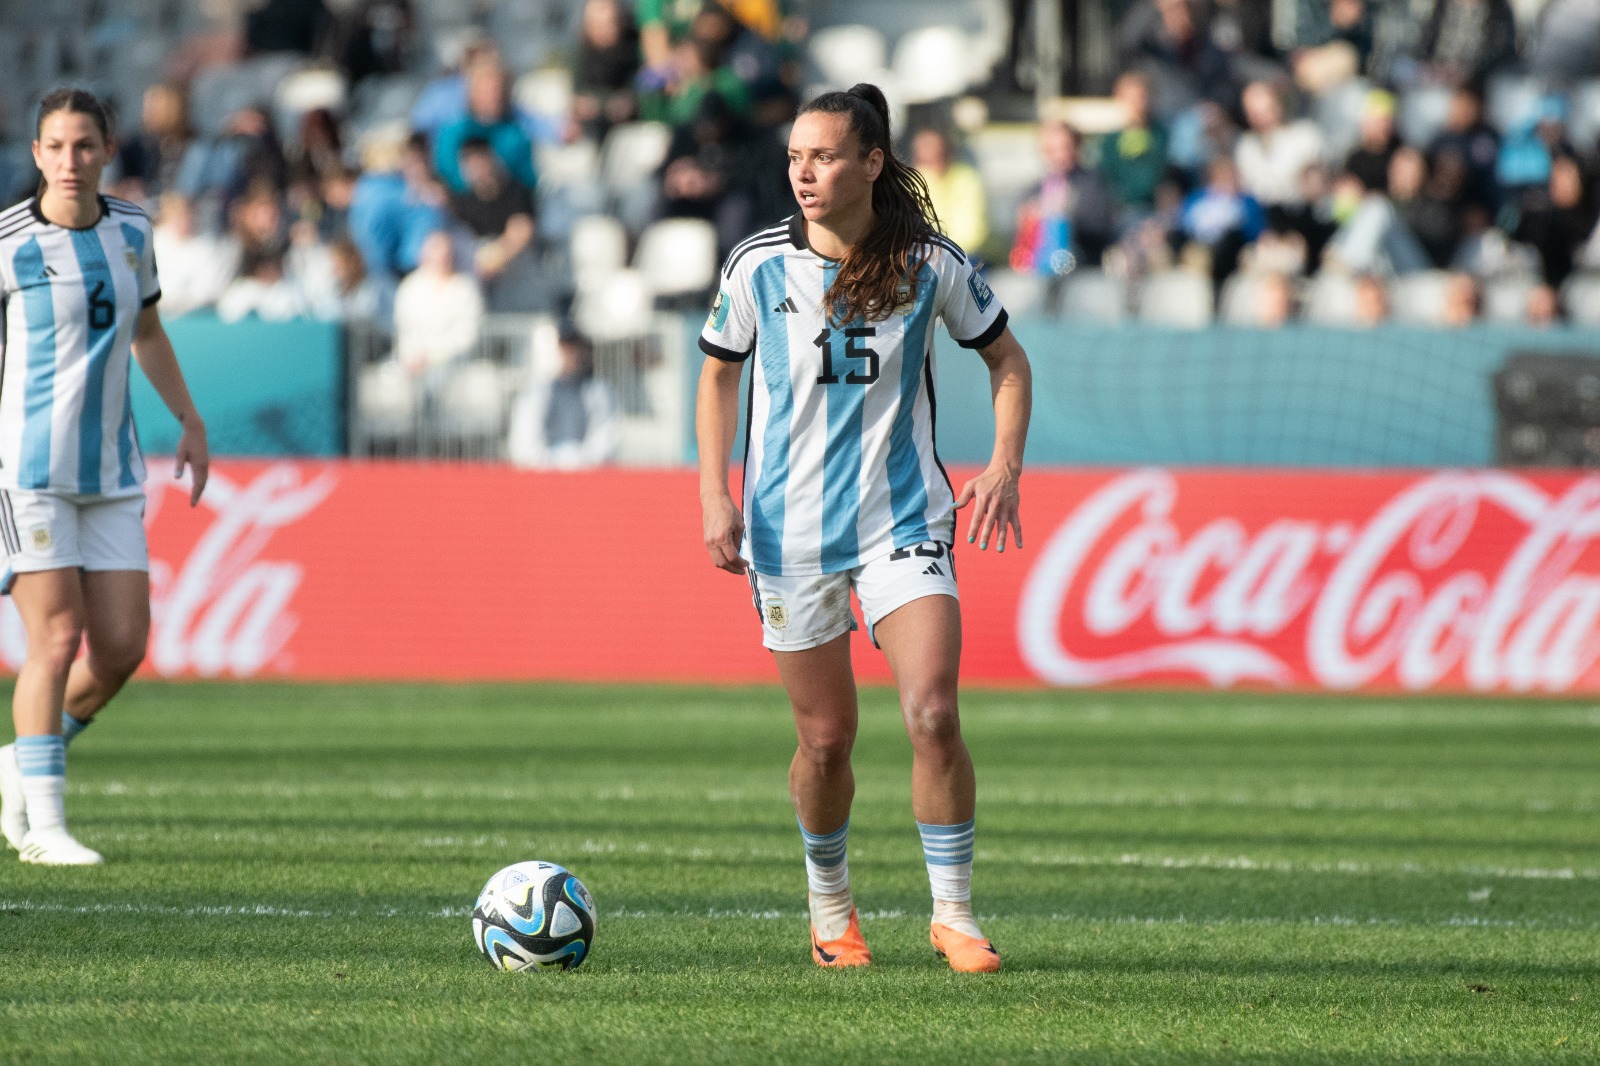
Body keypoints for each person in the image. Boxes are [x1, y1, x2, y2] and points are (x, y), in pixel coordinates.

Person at [696, 83, 1032, 974]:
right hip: (788, 535)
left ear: (872, 163)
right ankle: (830, 908)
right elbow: (718, 375)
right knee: (826, 740)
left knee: (931, 711)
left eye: (827, 156)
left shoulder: (931, 263)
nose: (805, 174)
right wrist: (713, 493)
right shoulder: (758, 265)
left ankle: (954, 917)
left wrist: (1003, 465)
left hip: (904, 522)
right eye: (797, 157)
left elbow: (1006, 359)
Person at [0, 89, 210, 865]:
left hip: (113, 472)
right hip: (29, 472)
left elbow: (146, 328)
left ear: (106, 150)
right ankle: (44, 828)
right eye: (54, 146)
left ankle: (20, 758)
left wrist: (189, 419)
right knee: (54, 637)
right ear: (36, 154)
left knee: (121, 649)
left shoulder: (131, 232)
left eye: (83, 145)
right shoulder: (8, 242)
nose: (69, 161)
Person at [506, 325, 620, 469]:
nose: (571, 355)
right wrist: (551, 464)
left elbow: (605, 440)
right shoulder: (535, 393)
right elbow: (524, 444)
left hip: (587, 479)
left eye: (574, 348)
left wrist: (577, 462)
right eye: (565, 349)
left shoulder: (599, 392)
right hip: (541, 479)